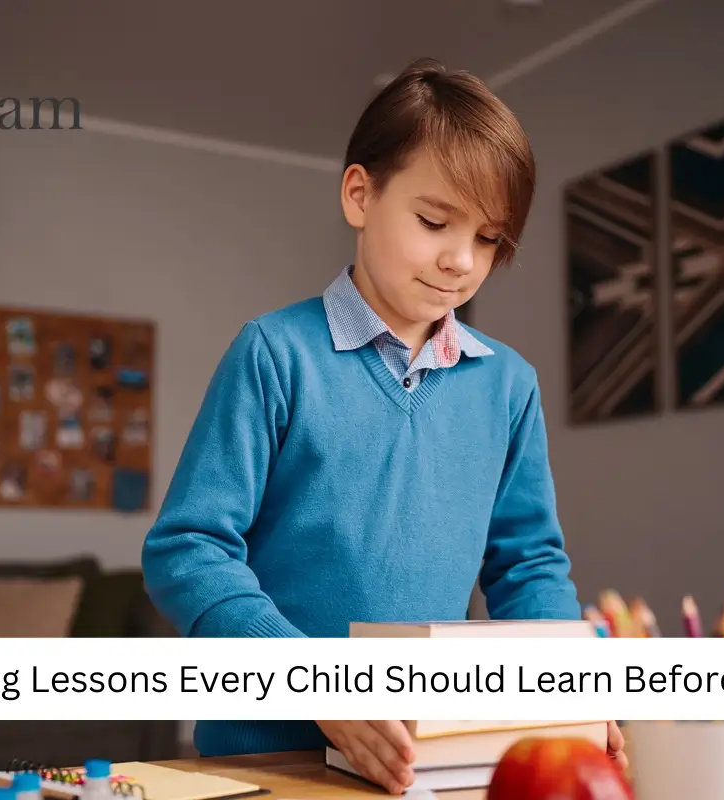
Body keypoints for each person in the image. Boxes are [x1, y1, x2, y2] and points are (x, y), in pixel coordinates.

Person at [140, 56, 626, 792]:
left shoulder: (508, 386)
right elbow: (188, 549)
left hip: (425, 759)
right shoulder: (274, 354)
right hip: (265, 758)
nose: (462, 260)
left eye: (490, 238)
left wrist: (565, 690)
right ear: (360, 194)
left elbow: (527, 566)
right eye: (435, 221)